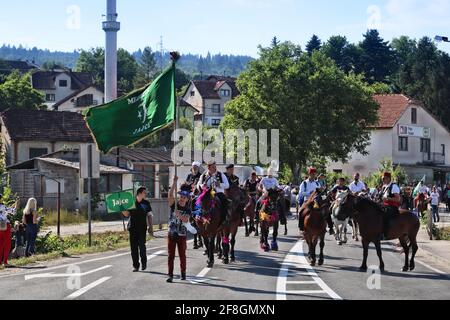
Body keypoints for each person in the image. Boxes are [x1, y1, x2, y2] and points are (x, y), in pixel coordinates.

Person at [167, 177, 193, 283]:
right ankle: (170, 275)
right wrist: (174, 183)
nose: (182, 198)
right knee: (170, 255)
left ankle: (183, 273)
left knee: (182, 254)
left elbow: (186, 220)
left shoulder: (187, 209)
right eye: (181, 196)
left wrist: (179, 215)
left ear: (187, 199)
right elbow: (170, 196)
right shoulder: (174, 205)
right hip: (171, 233)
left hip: (182, 234)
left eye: (184, 197)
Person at [122, 187, 154, 272]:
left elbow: (150, 215)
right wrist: (122, 209)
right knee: (134, 248)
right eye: (144, 192)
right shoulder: (131, 202)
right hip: (132, 228)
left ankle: (144, 263)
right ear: (139, 193)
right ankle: (136, 266)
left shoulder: (146, 203)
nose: (145, 194)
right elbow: (127, 214)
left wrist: (151, 227)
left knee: (142, 247)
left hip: (142, 228)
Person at [298, 168, 321, 232]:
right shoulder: (304, 183)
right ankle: (301, 228)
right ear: (309, 174)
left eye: (314, 174)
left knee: (325, 210)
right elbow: (300, 193)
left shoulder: (317, 183)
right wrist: (309, 193)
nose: (313, 175)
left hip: (316, 201)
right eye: (312, 174)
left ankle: (330, 227)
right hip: (307, 201)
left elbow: (320, 192)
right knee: (301, 212)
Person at [379, 172, 401, 239]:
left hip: (392, 207)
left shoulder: (393, 186)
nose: (382, 180)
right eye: (382, 179)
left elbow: (398, 199)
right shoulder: (384, 186)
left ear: (388, 178)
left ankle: (385, 233)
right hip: (384, 206)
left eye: (384, 178)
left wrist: (388, 198)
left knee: (384, 215)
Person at [0, 195, 16, 268]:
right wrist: (15, 206)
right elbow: (13, 212)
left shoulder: (4, 207)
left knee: (0, 244)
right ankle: (5, 262)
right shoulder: (3, 206)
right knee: (7, 244)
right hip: (4, 226)